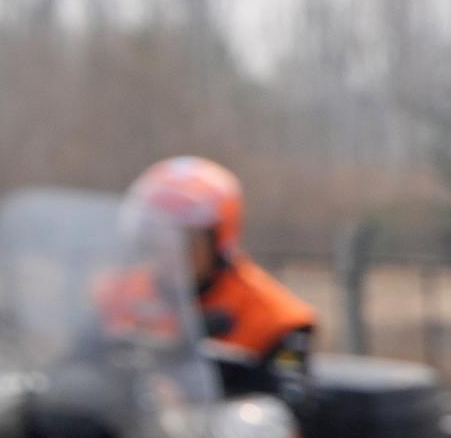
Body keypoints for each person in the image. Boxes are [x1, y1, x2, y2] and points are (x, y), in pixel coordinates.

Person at [123, 155, 314, 388]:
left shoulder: (277, 319)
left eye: (183, 240)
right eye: (155, 238)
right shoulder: (119, 298)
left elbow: (287, 398)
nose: (167, 254)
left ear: (218, 239)